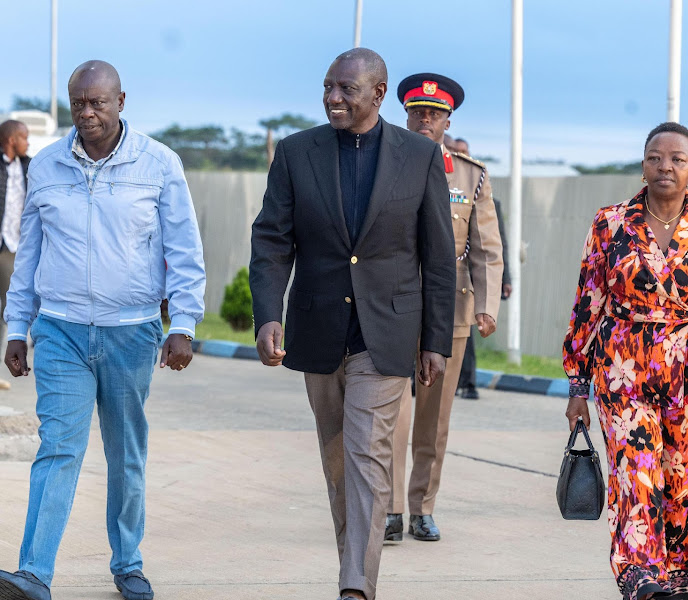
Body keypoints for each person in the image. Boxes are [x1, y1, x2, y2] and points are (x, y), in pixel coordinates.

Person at [249, 49, 455, 600]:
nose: (333, 98)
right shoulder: (297, 153)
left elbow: (438, 255)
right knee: (338, 458)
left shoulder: (419, 156)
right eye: (327, 88)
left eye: (346, 89)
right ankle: (354, 567)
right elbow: (271, 239)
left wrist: (435, 340)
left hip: (385, 334)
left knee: (367, 453)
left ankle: (355, 587)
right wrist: (268, 312)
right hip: (318, 330)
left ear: (378, 92)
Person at [0, 61, 206, 600]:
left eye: (99, 102)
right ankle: (33, 573)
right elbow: (29, 257)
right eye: (79, 104)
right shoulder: (45, 166)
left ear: (121, 100)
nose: (88, 113)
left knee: (125, 452)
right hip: (61, 330)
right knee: (58, 448)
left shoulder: (159, 164)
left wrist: (182, 322)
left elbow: (185, 250)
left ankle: (128, 563)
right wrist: (17, 326)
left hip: (131, 333)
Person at [563, 122, 688, 600]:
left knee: (686, 480)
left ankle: (684, 580)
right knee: (636, 473)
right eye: (654, 157)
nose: (664, 166)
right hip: (622, 369)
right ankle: (644, 579)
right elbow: (588, 303)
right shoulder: (610, 223)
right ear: (643, 164)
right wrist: (577, 388)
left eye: (677, 159)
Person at [387, 73, 503, 542]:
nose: (424, 120)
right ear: (405, 115)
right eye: (417, 112)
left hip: (450, 310)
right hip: (391, 310)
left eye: (433, 114)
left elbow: (486, 247)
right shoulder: (382, 162)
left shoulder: (470, 174)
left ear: (447, 120)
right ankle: (390, 508)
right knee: (390, 416)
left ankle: (422, 508)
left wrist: (487, 303)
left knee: (434, 420)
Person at [452, 137, 512, 399]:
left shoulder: (484, 194)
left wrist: (505, 279)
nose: (460, 154)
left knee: (468, 337)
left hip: (469, 283)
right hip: (444, 277)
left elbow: (497, 244)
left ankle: (469, 382)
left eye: (464, 151)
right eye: (457, 151)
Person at [0, 119, 30, 391]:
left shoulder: (30, 166)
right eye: (25, 138)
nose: (28, 143)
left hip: (14, 248)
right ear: (12, 140)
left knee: (9, 308)